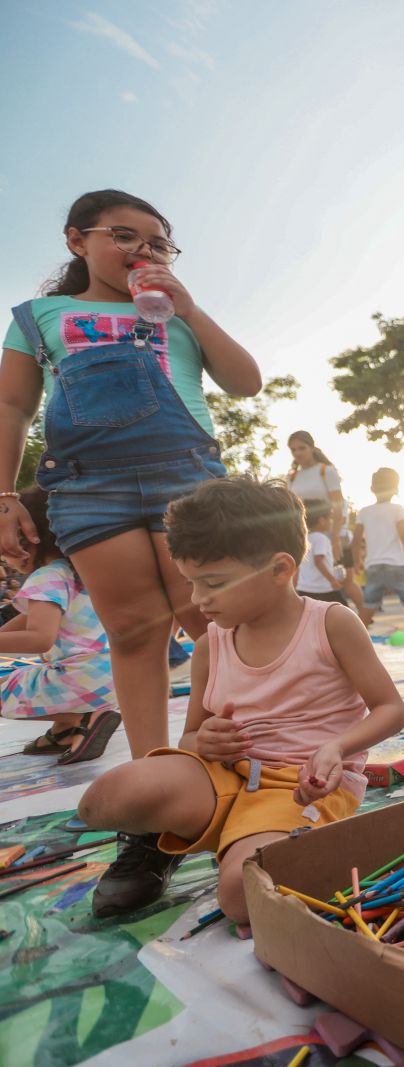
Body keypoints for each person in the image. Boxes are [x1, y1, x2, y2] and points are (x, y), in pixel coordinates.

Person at [0, 189, 262, 914]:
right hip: (87, 486)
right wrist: (2, 498)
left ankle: (237, 774)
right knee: (137, 631)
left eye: (159, 244)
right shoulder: (37, 318)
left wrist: (190, 306)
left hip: (188, 474)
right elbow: (13, 408)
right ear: (77, 240)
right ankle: (153, 816)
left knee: (212, 618)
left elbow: (246, 381)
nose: (144, 253)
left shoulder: (177, 314)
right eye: (126, 237)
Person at [76, 478, 404, 929]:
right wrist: (205, 741)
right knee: (104, 799)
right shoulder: (212, 646)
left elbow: (391, 708)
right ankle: (238, 842)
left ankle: (268, 844)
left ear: (279, 569)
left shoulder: (330, 624)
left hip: (300, 788)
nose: (197, 600)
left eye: (213, 583)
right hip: (227, 782)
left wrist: (337, 748)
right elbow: (192, 736)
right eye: (190, 583)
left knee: (238, 897)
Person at [1, 487, 121, 764]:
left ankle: (81, 718)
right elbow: (27, 621)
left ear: (24, 539)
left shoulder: (45, 577)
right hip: (117, 678)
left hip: (83, 682)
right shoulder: (79, 573)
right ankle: (66, 730)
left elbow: (40, 638)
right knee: (44, 670)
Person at [285, 430, 365, 615]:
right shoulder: (292, 477)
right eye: (293, 449)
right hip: (306, 537)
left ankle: (364, 621)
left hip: (332, 533)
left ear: (312, 447)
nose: (297, 453)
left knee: (345, 580)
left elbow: (338, 505)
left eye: (301, 448)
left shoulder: (326, 471)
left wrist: (335, 537)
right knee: (305, 581)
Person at [356, 468, 404, 656]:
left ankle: (354, 645)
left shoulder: (364, 512)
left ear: (372, 488)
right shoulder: (397, 510)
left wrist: (358, 561)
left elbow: (356, 540)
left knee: (368, 606)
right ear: (395, 488)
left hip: (373, 565)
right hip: (397, 564)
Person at [296, 502, 345, 606]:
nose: (331, 521)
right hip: (323, 589)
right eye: (330, 518)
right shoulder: (321, 538)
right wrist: (332, 580)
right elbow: (318, 561)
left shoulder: (305, 539)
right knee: (345, 614)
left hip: (305, 588)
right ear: (322, 521)